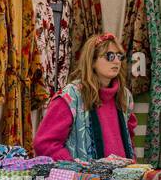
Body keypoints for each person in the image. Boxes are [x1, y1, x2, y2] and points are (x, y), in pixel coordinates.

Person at [33, 32, 137, 162]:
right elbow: (44, 143)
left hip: (122, 179)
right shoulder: (71, 96)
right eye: (109, 56)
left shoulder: (124, 96)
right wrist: (75, 169)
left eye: (119, 56)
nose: (116, 61)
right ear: (92, 61)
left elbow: (130, 140)